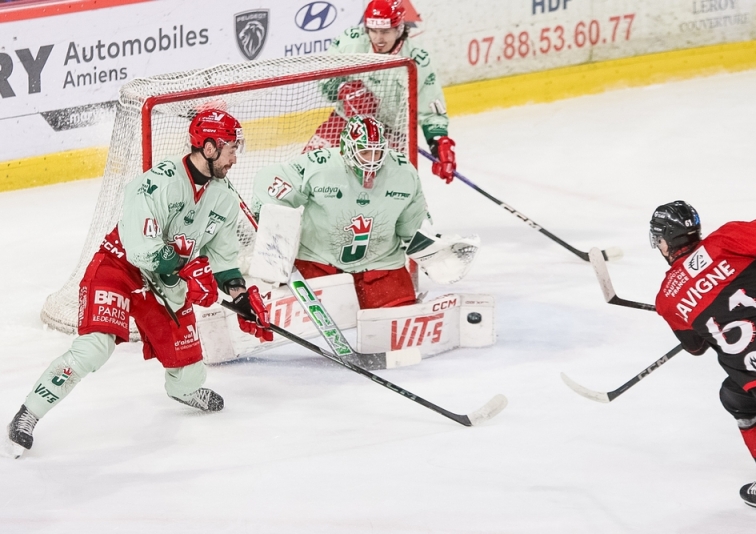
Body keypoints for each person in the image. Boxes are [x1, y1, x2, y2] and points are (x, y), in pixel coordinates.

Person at [6, 109, 272, 458]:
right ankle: (28, 414)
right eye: (230, 148)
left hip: (165, 281)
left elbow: (223, 258)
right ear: (208, 148)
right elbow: (142, 249)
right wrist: (188, 273)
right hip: (120, 267)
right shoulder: (157, 182)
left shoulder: (222, 196)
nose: (236, 156)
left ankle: (184, 390)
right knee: (94, 348)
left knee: (189, 366)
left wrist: (239, 296)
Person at [651, 200, 756, 514]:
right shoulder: (727, 239)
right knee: (735, 396)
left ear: (664, 242)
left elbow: (696, 346)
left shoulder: (667, 299)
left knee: (742, 394)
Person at [252, 114, 428, 310]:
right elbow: (270, 179)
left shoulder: (404, 173)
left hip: (381, 265)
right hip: (318, 262)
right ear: (347, 148)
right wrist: (273, 234)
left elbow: (411, 227)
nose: (371, 160)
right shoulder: (320, 165)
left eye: (376, 152)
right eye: (364, 151)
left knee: (397, 328)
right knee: (304, 329)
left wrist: (432, 253)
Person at [306, 0, 457, 184]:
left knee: (373, 194)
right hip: (345, 123)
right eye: (373, 31)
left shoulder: (417, 59)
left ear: (399, 29)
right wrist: (342, 89)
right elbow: (324, 76)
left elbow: (430, 108)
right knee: (307, 169)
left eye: (385, 32)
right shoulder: (351, 42)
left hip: (390, 136)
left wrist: (439, 145)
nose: (378, 39)